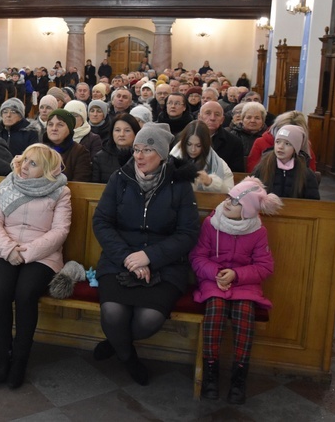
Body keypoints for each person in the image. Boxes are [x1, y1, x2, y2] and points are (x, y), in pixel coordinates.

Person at [92, 122, 199, 386]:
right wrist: (128, 257)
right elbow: (102, 222)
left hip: (165, 263)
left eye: (146, 150)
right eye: (136, 149)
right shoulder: (120, 178)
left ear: (162, 155)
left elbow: (187, 233)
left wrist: (149, 257)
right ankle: (128, 357)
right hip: (120, 258)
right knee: (113, 313)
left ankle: (117, 341)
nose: (138, 156)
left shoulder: (180, 185)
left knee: (148, 320)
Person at [190, 177, 282, 404]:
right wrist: (216, 273)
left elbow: (264, 266)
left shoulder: (258, 231)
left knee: (244, 316)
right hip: (213, 281)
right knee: (216, 310)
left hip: (244, 285)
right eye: (229, 197)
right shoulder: (211, 223)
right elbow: (197, 256)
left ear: (248, 211)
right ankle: (211, 373)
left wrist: (237, 275)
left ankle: (239, 377)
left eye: (236, 202)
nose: (228, 203)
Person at [0, 144, 72, 389]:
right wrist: (8, 249)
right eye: (24, 160)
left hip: (42, 254)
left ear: (45, 169)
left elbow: (60, 231)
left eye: (32, 163)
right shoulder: (9, 184)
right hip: (5, 250)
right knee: (1, 293)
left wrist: (28, 253)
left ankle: (20, 361)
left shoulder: (60, 191)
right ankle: (3, 357)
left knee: (25, 295)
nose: (24, 166)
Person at [252, 125, 320, 199]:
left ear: (295, 148)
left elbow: (312, 201)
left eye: (287, 144)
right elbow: (252, 194)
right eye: (278, 142)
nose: (280, 147)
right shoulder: (263, 167)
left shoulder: (306, 173)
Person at [170, 121, 233, 193]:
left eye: (198, 145)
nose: (193, 149)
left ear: (205, 145)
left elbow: (230, 193)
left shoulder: (220, 165)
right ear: (183, 143)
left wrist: (211, 182)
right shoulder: (172, 160)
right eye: (189, 144)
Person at [246, 111, 317, 173]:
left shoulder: (304, 147)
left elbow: (310, 174)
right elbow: (253, 170)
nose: (280, 146)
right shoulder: (261, 142)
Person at [42, 109, 92, 182]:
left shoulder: (79, 152)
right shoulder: (39, 150)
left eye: (60, 125)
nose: (54, 128)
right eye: (50, 124)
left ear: (69, 129)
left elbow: (79, 184)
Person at [91, 112, 141, 184]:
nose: (121, 134)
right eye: (117, 130)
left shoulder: (141, 156)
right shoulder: (100, 157)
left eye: (127, 130)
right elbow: (94, 186)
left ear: (135, 133)